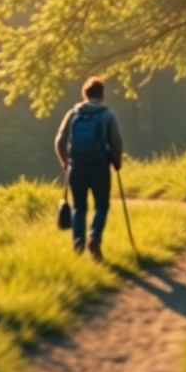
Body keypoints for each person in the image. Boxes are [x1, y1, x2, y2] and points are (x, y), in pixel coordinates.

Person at [55, 77, 123, 260]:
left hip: (77, 167)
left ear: (85, 94)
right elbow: (116, 141)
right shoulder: (107, 114)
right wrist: (117, 162)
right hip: (100, 167)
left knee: (79, 207)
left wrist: (65, 161)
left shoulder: (73, 113)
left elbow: (60, 140)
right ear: (102, 95)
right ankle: (94, 237)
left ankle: (78, 243)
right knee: (101, 205)